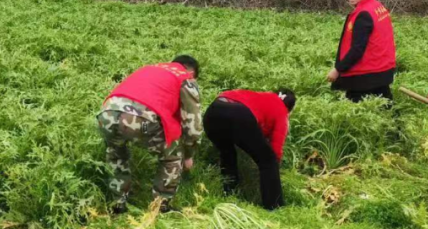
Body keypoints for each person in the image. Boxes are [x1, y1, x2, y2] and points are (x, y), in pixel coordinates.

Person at [98, 56, 202, 214]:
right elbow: (193, 125)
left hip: (107, 113)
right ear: (192, 71)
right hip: (139, 117)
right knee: (172, 156)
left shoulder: (150, 68)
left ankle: (117, 203)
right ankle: (160, 206)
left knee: (116, 155)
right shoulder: (185, 78)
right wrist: (188, 154)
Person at [203, 88, 296, 210]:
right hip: (239, 115)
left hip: (213, 112)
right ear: (289, 108)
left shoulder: (260, 96)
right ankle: (274, 205)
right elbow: (276, 146)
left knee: (227, 152)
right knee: (268, 160)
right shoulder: (282, 110)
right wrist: (273, 163)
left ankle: (229, 192)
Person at [327, 0, 397, 102]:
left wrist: (338, 69)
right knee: (385, 106)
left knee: (355, 112)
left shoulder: (363, 14)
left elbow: (357, 49)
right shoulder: (378, 7)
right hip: (383, 69)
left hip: (365, 73)